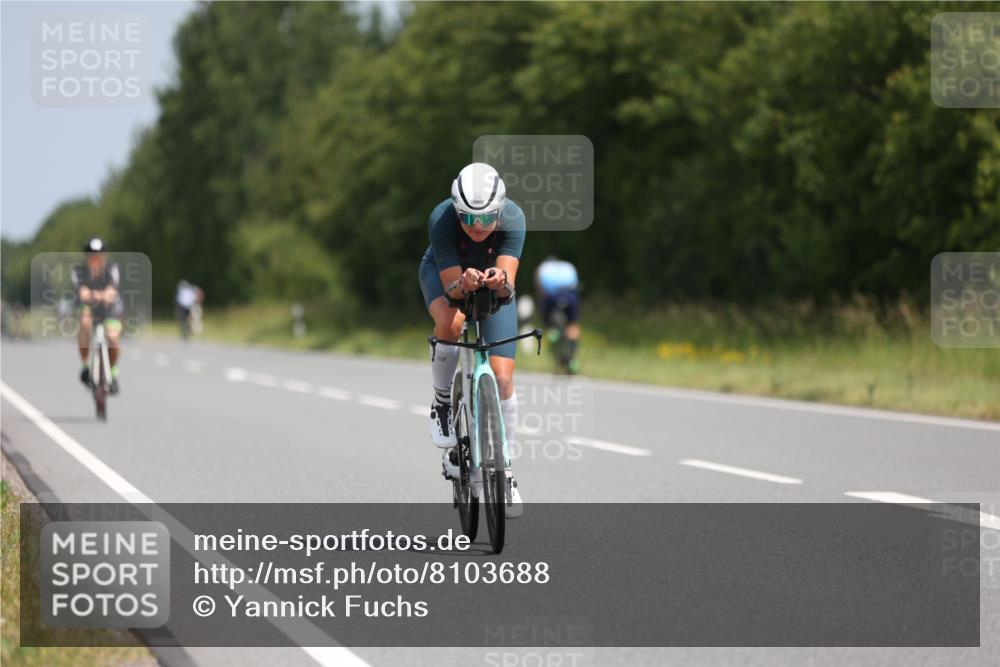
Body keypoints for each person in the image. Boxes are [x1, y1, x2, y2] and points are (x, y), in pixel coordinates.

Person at [418, 163, 525, 517]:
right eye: (467, 217)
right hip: (445, 276)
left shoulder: (514, 218)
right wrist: (464, 283)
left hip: (490, 287)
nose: (476, 226)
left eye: (486, 218)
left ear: (500, 210)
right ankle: (442, 402)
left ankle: (505, 470)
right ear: (456, 209)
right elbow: (451, 290)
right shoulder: (441, 218)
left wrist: (499, 280)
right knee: (452, 322)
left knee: (503, 378)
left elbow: (508, 289)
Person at [73, 238, 123, 393]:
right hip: (88, 308)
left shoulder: (112, 268)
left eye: (99, 253)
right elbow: (83, 293)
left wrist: (98, 294)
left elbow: (111, 291)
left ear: (104, 255)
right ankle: (85, 366)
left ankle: (112, 373)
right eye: (92, 253)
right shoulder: (78, 271)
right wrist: (95, 295)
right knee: (85, 323)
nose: (96, 256)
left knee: (113, 337)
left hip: (109, 310)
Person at [535, 256, 581, 373]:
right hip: (571, 297)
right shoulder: (568, 266)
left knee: (546, 319)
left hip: (552, 297)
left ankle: (551, 331)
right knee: (573, 326)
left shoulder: (544, 267)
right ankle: (572, 360)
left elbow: (539, 286)